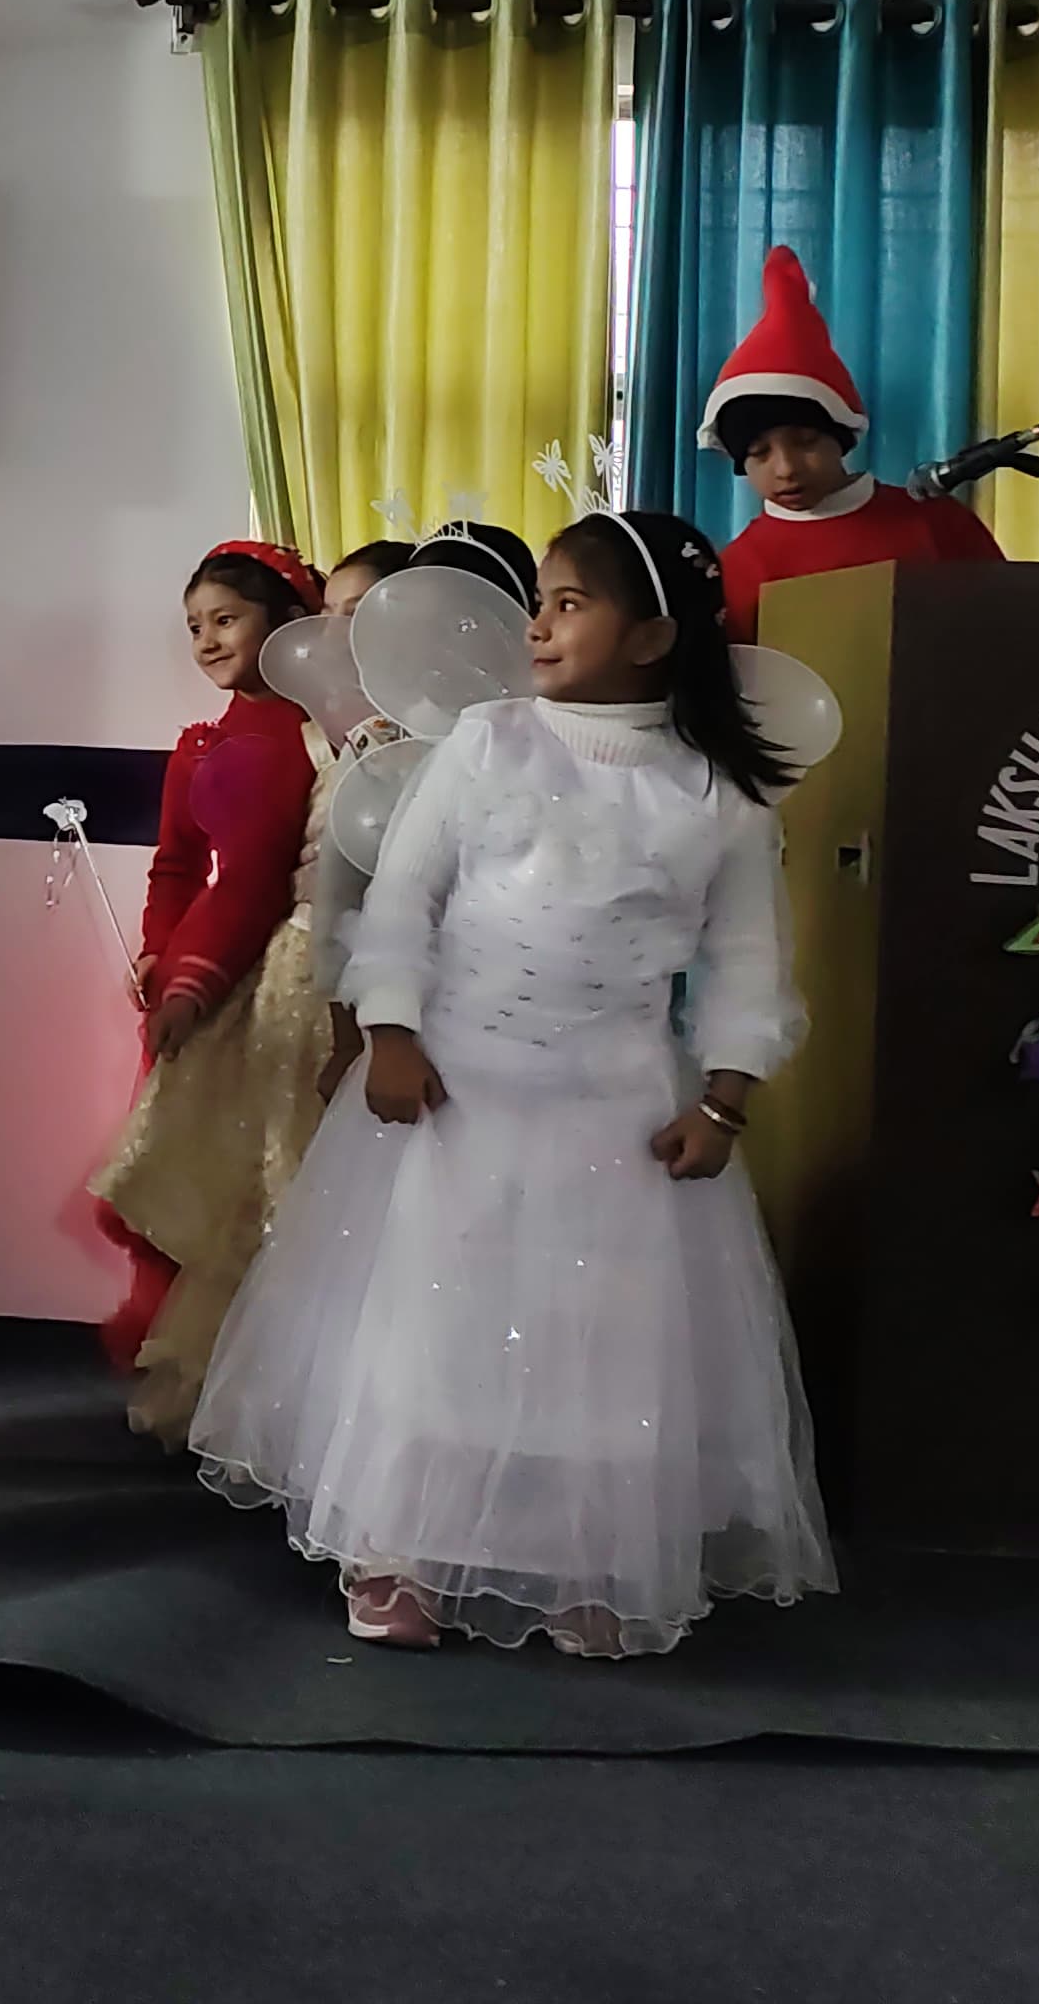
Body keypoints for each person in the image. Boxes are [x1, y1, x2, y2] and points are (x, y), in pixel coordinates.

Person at [194, 507, 835, 1657]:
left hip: (622, 1108)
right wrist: (391, 1031)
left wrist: (723, 1097)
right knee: (437, 1318)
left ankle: (589, 1557)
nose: (534, 625)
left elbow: (749, 962)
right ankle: (400, 1550)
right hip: (462, 1091)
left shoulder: (715, 796)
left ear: (651, 636)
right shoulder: (489, 742)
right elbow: (405, 896)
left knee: (596, 1336)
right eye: (539, 600)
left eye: (568, 604)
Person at [92, 541, 326, 1446]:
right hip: (198, 967)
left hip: (265, 974)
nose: (207, 641)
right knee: (193, 1164)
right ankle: (203, 1381)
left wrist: (197, 980)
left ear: (288, 622)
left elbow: (260, 882)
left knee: (252, 1180)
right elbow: (177, 865)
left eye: (227, 619)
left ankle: (267, 1398)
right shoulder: (203, 743)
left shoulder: (313, 737)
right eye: (195, 626)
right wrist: (159, 954)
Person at [311, 522, 539, 1103]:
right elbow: (340, 896)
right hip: (408, 1023)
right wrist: (348, 1038)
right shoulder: (380, 742)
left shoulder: (550, 735)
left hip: (533, 1016)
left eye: (463, 622)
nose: (438, 642)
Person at [705, 245, 1001, 639]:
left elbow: (1007, 624)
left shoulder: (937, 523)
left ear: (841, 436)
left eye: (806, 442)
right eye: (759, 453)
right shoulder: (741, 566)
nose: (786, 468)